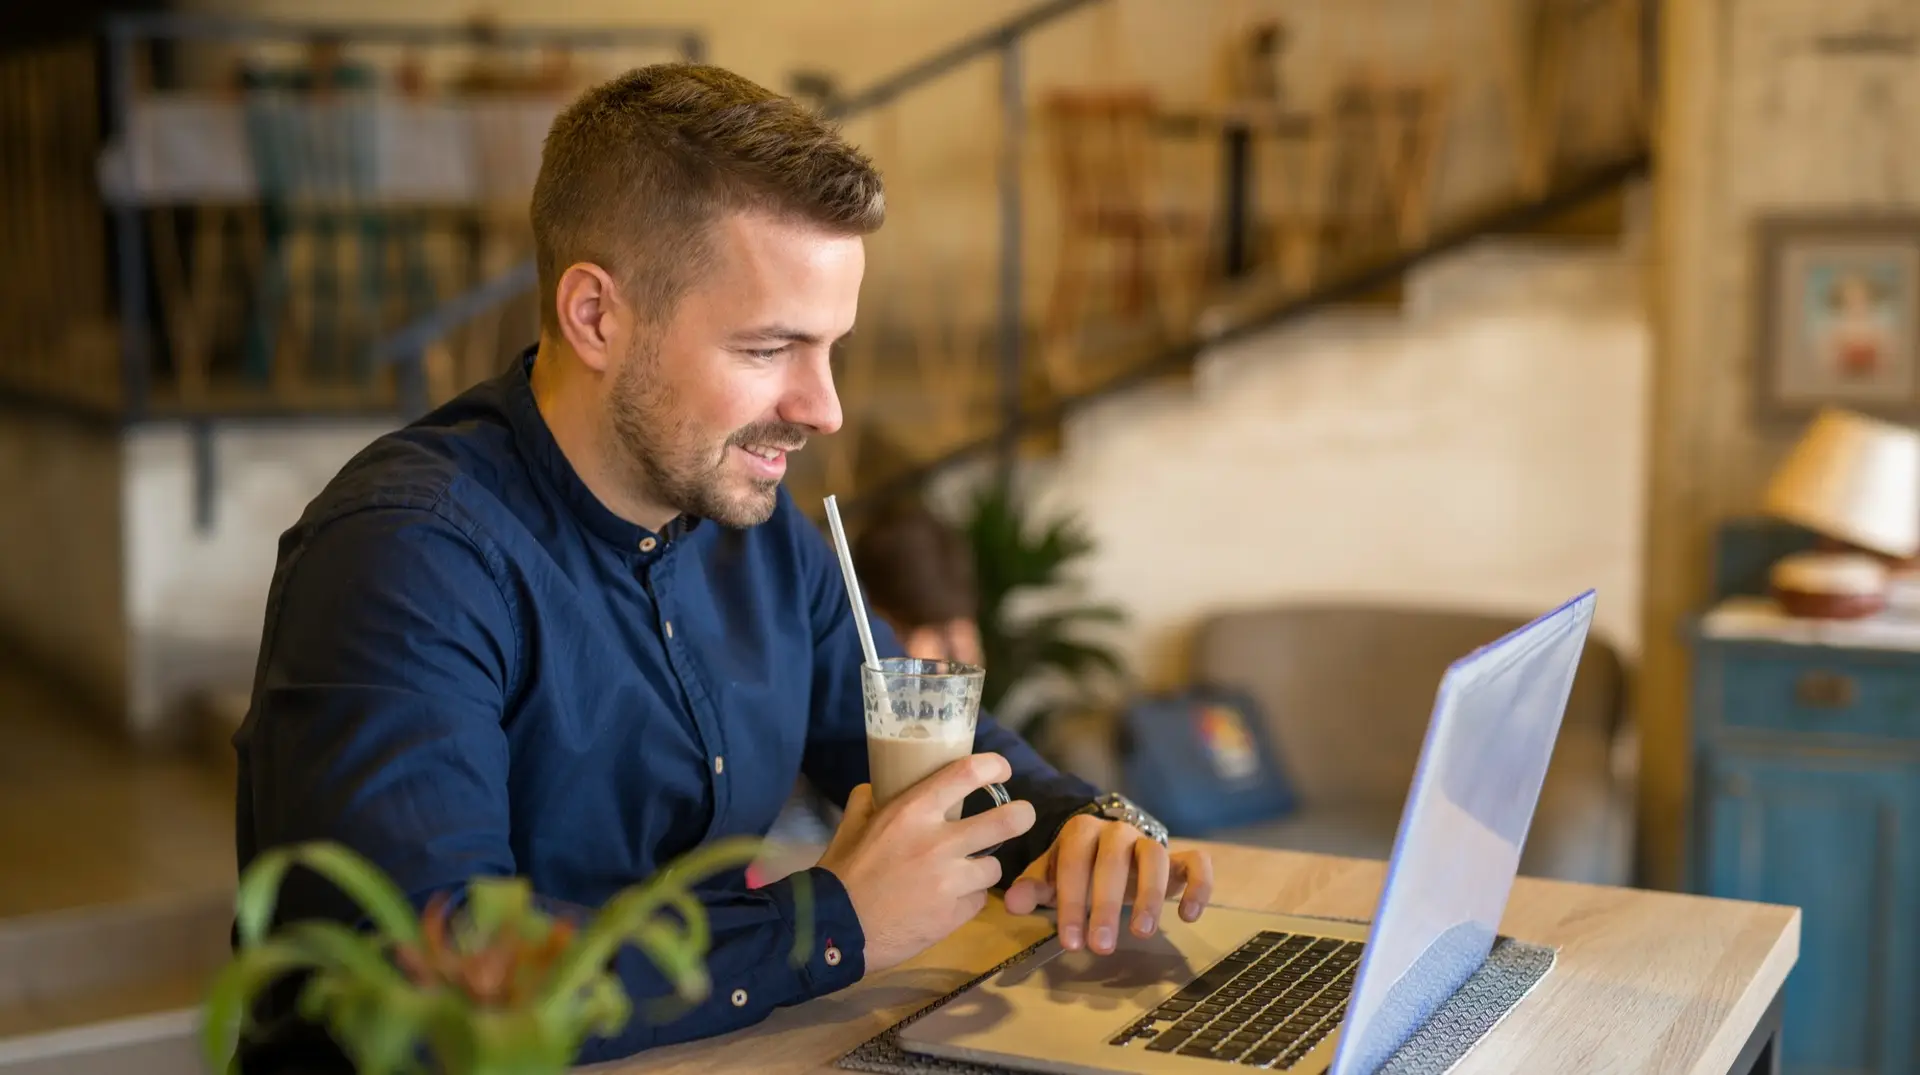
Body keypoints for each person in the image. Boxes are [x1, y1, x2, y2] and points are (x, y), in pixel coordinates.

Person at [232, 63, 1212, 1071]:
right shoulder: (407, 554)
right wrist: (830, 923)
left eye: (830, 348)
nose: (823, 408)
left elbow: (915, 730)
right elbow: (433, 983)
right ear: (597, 316)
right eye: (769, 348)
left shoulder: (757, 529)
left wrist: (1086, 827)